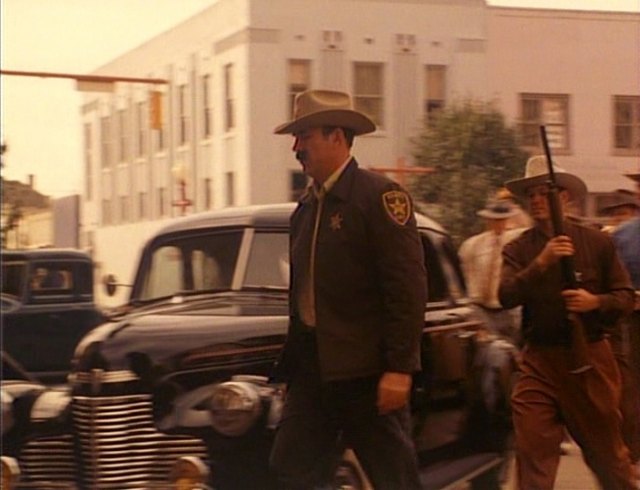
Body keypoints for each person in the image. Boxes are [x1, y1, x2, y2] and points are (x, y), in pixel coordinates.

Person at [269, 89, 427, 489]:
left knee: (394, 479)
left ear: (337, 137)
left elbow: (406, 287)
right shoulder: (304, 212)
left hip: (367, 373)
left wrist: (398, 368)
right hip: (313, 371)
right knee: (289, 469)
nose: (296, 147)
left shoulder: (380, 197)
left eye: (304, 136)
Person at [498, 155, 637, 489]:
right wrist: (543, 262)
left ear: (566, 198)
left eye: (545, 192)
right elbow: (506, 295)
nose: (535, 200)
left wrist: (594, 302)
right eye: (530, 194)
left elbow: (626, 297)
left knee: (610, 461)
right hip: (540, 361)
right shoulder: (519, 248)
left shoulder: (598, 242)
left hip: (590, 358)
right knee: (532, 451)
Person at [458, 198, 525, 343]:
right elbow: (464, 274)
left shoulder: (517, 240)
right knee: (489, 350)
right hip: (481, 309)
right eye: (493, 219)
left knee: (512, 349)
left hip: (508, 310)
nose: (497, 223)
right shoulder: (472, 244)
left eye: (501, 219)